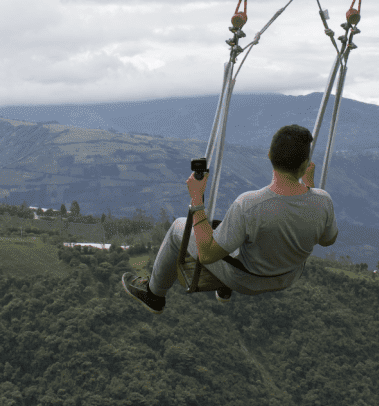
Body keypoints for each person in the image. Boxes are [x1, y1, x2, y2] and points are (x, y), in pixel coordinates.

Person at [121, 124, 338, 314]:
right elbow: (327, 239)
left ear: (270, 155)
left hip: (246, 279)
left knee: (180, 226)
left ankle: (154, 295)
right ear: (305, 165)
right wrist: (310, 186)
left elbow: (206, 256)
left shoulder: (249, 204)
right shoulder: (323, 201)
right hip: (289, 276)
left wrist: (197, 198)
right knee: (225, 227)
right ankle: (223, 289)